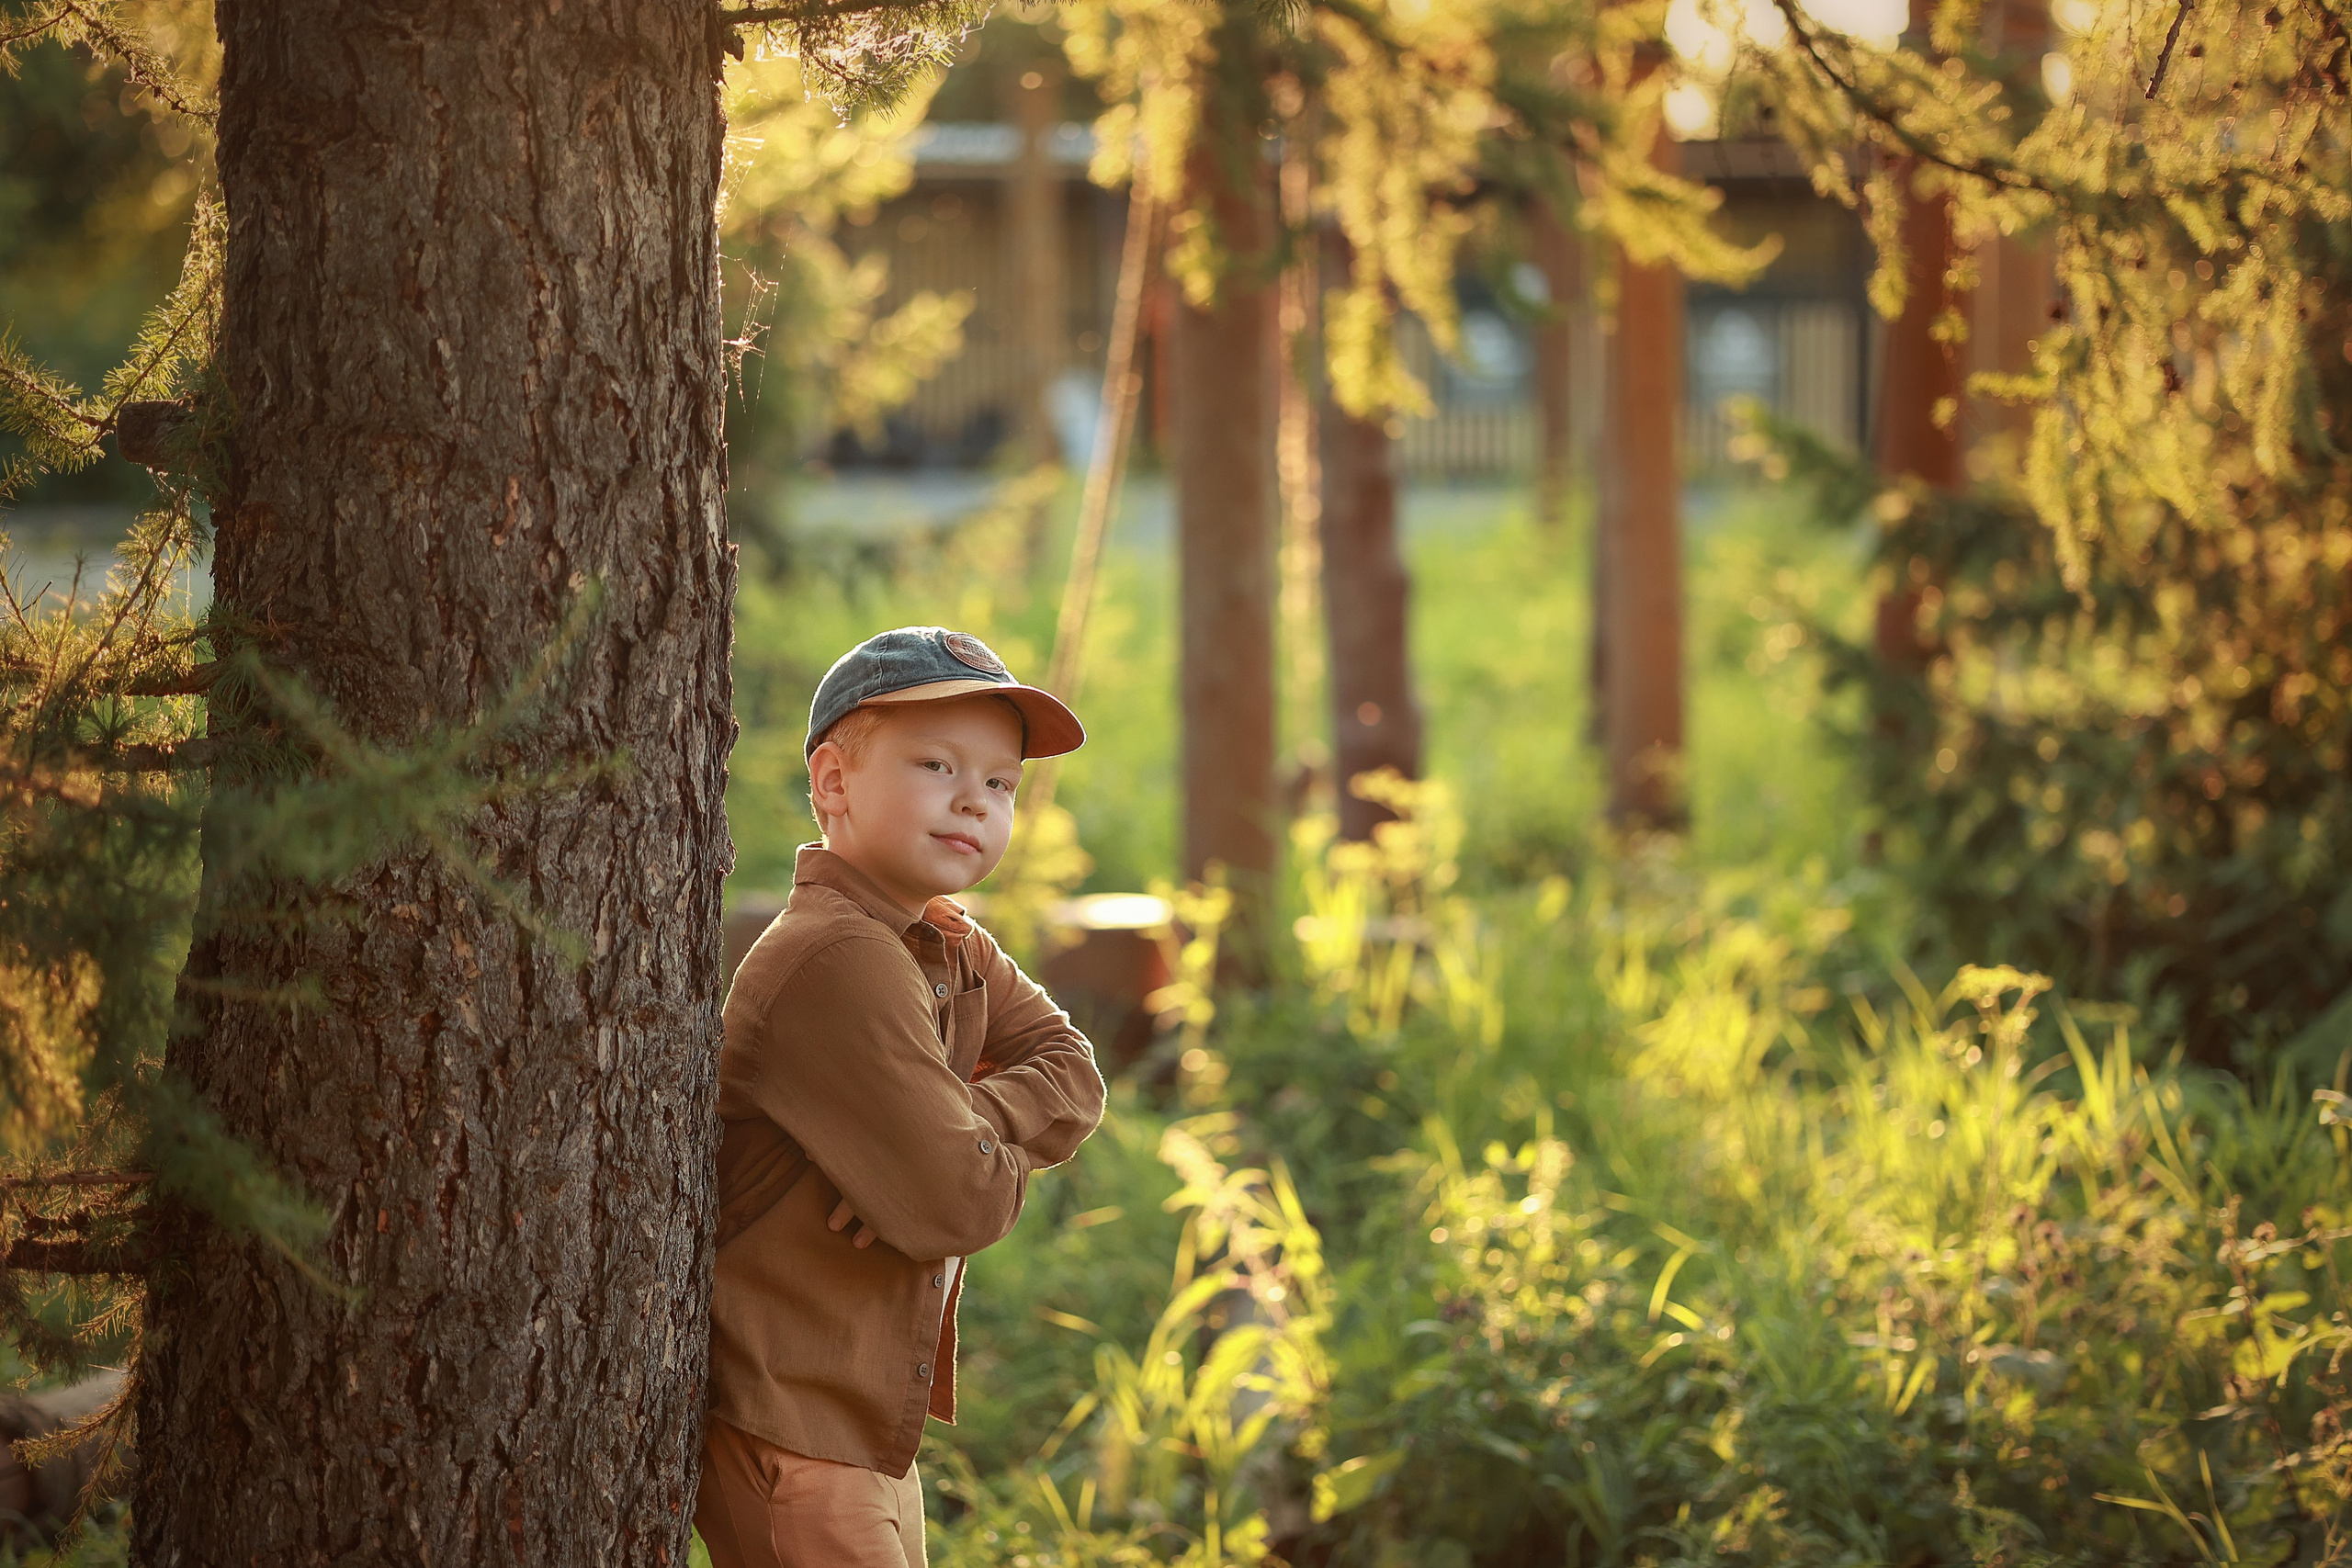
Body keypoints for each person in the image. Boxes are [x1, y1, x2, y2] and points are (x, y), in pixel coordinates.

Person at [697, 626, 1106, 1568]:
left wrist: (961, 1122)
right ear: (835, 783)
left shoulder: (948, 943)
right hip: (791, 1424)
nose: (975, 799)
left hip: (859, 1416)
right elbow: (955, 1199)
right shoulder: (837, 957)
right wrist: (940, 1153)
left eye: (1000, 783)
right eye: (936, 765)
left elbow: (1074, 1071)